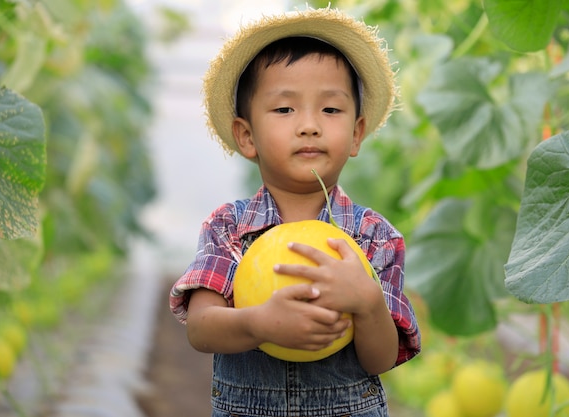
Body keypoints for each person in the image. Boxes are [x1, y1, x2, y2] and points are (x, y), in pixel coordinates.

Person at [170, 6, 421, 417]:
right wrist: (258, 323)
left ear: (357, 134)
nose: (309, 125)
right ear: (246, 136)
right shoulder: (229, 228)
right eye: (285, 110)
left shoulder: (374, 236)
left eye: (331, 110)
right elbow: (201, 328)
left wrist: (368, 301)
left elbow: (381, 359)